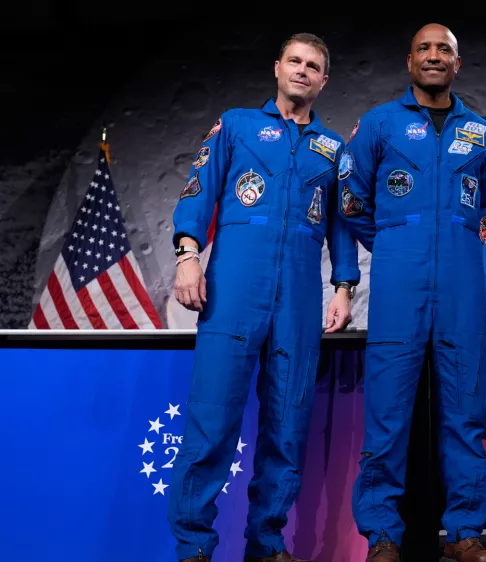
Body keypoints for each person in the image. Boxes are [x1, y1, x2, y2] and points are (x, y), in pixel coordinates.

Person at [168, 33, 360, 562]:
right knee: (212, 420)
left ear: (324, 80)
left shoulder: (333, 149)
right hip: (234, 290)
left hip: (298, 298)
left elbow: (342, 228)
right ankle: (194, 546)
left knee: (287, 427)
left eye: (312, 66)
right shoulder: (236, 126)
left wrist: (344, 288)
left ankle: (267, 543)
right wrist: (188, 254)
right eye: (294, 61)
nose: (302, 70)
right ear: (277, 67)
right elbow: (197, 190)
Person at [337, 23, 486, 562]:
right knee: (387, 412)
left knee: (465, 411)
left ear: (458, 63)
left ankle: (465, 532)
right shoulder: (379, 124)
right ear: (409, 61)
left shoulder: (481, 133)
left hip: (461, 282)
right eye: (424, 49)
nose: (434, 56)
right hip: (398, 279)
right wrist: (394, 240)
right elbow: (351, 199)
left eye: (445, 50)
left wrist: (456, 237)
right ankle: (383, 535)